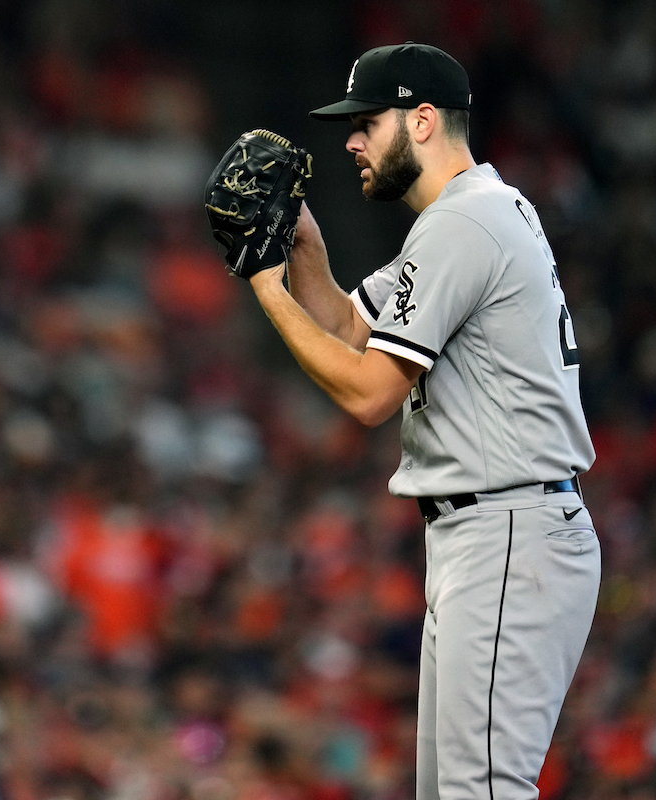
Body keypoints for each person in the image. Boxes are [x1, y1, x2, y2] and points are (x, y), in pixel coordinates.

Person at [245, 43, 601, 798]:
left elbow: (370, 393)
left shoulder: (462, 226)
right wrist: (304, 243)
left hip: (509, 528)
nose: (350, 141)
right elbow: (349, 329)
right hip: (493, 532)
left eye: (368, 123)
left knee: (482, 791)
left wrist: (266, 288)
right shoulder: (470, 215)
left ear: (424, 120)